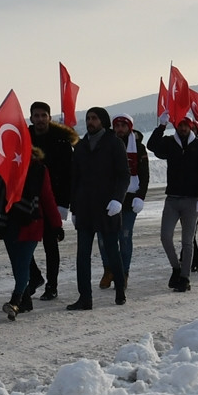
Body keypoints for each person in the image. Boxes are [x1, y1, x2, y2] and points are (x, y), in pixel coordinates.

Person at [0, 151, 61, 319]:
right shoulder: (5, 168)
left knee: (22, 263)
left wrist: (56, 225)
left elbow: (47, 198)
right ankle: (26, 300)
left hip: (30, 223)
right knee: (17, 264)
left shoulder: (38, 169)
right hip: (8, 223)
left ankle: (15, 301)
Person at [66, 106, 129, 310]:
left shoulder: (114, 143)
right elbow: (75, 178)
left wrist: (117, 199)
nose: (90, 122)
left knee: (112, 251)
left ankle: (120, 290)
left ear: (103, 121)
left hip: (107, 207)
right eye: (88, 118)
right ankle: (85, 298)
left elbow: (124, 175)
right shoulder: (81, 146)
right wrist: (74, 208)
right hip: (85, 208)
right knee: (82, 255)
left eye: (94, 118)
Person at [148, 112, 198, 291]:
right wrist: (161, 126)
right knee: (165, 237)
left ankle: (185, 277)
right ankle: (176, 268)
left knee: (187, 241)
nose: (182, 128)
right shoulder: (170, 143)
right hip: (172, 199)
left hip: (192, 200)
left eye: (185, 125)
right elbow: (152, 145)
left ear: (190, 126)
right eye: (180, 125)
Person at [25, 102, 76, 300]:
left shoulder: (61, 141)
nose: (40, 119)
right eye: (36, 115)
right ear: (31, 118)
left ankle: (52, 286)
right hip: (28, 198)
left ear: (49, 117)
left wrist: (63, 203)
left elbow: (69, 175)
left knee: (50, 244)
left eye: (43, 115)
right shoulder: (24, 138)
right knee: (23, 242)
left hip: (52, 200)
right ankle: (34, 276)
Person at [100, 114, 149, 290]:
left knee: (125, 237)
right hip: (108, 198)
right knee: (103, 238)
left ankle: (123, 272)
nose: (120, 129)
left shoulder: (139, 148)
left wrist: (140, 196)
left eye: (123, 125)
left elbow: (144, 174)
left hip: (129, 199)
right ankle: (108, 270)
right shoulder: (106, 145)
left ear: (129, 127)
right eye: (117, 125)